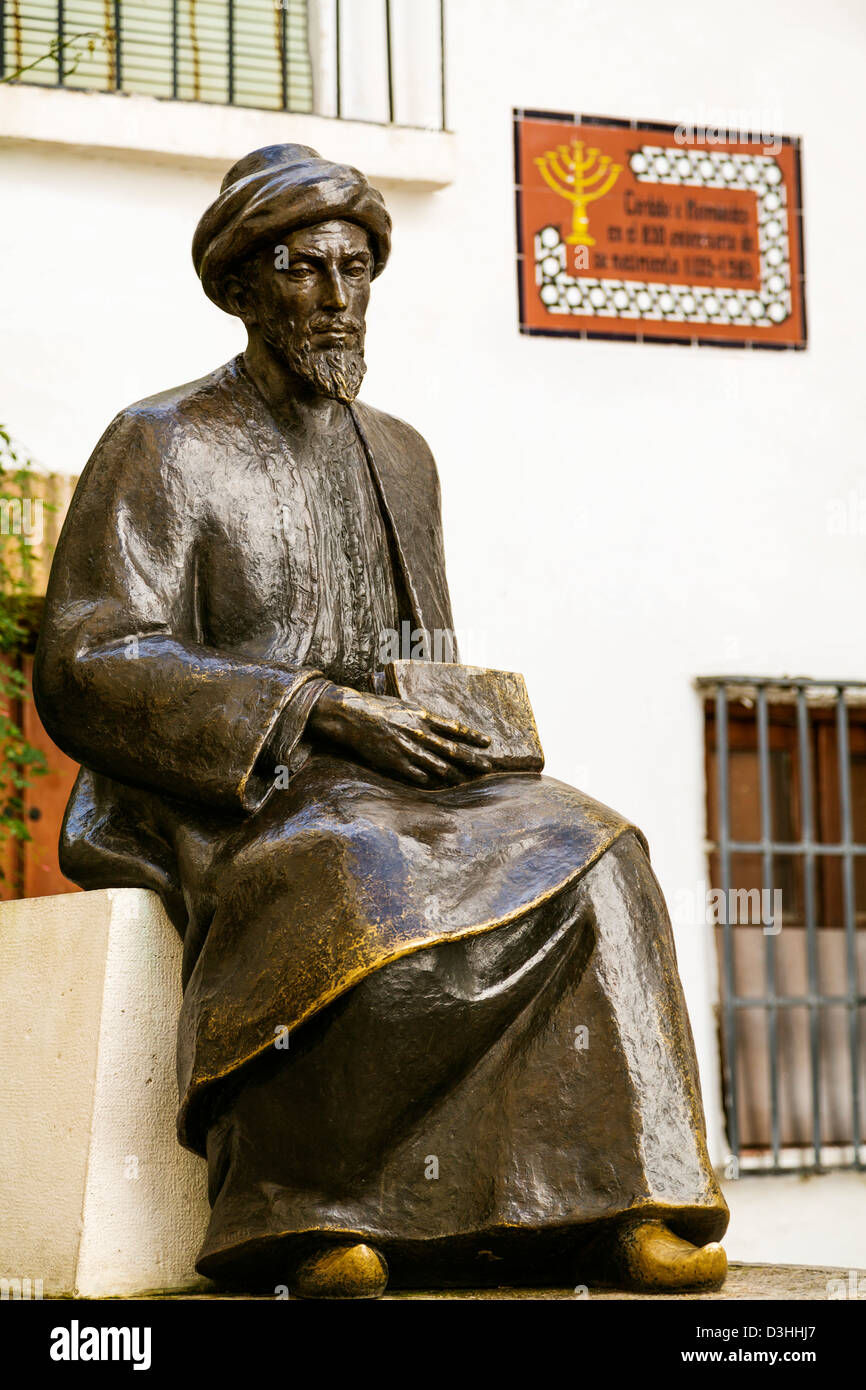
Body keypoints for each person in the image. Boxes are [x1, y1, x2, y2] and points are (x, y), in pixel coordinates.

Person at [34, 144, 728, 1298]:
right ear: (244, 284)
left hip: (399, 773)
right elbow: (90, 659)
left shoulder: (400, 455)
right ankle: (304, 1213)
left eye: (356, 271)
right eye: (306, 271)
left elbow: (422, 655)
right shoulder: (161, 441)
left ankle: (612, 1198)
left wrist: (459, 724)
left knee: (597, 849)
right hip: (247, 788)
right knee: (356, 871)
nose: (336, 298)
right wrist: (318, 713)